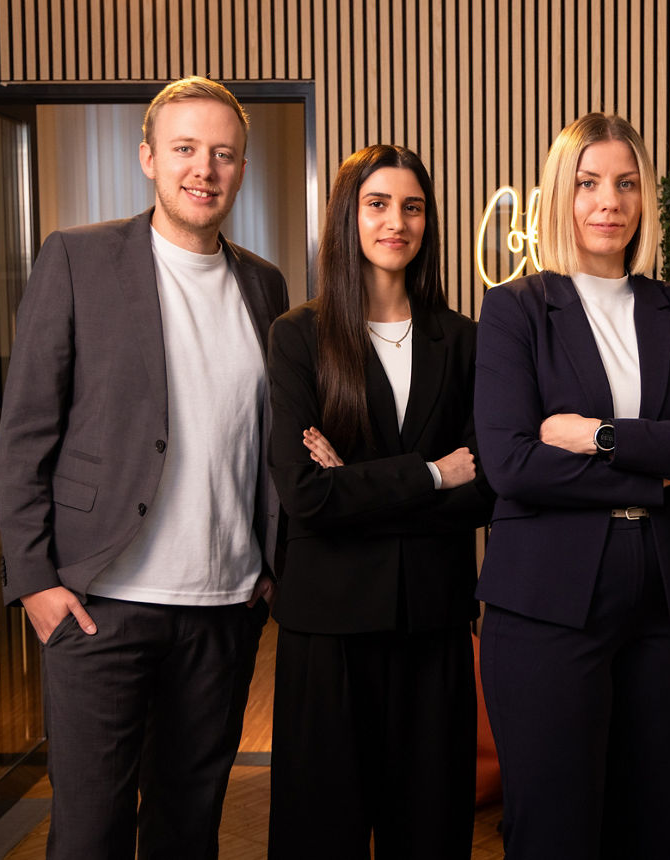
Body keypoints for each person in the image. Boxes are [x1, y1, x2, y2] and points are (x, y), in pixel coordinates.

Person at [0, 77, 287, 858]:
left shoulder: (265, 286)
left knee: (187, 831)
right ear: (148, 159)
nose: (205, 169)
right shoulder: (78, 259)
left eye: (224, 154)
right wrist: (35, 582)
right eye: (187, 149)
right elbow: (25, 433)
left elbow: (263, 434)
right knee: (89, 834)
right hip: (100, 605)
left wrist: (267, 565)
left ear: (241, 168)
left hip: (224, 608)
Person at [472, 112, 670, 860]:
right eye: (589, 183)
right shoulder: (515, 311)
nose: (609, 201)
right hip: (547, 603)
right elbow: (512, 464)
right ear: (561, 195)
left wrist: (602, 437)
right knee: (553, 828)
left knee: (652, 824)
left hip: (666, 600)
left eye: (627, 184)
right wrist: (668, 462)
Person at [265, 144, 492, 858]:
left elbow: (485, 486)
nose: (398, 221)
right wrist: (430, 475)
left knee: (429, 832)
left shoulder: (464, 340)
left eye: (413, 206)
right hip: (327, 627)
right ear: (347, 217)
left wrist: (355, 482)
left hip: (432, 623)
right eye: (378, 204)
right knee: (319, 833)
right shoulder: (298, 336)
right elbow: (305, 493)